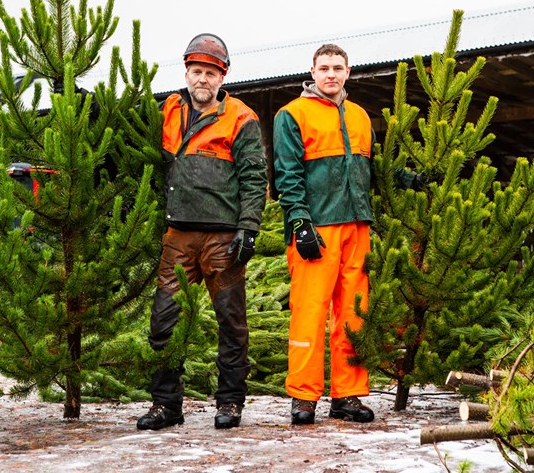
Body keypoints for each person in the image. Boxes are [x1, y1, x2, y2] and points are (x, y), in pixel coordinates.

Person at [136, 33, 267, 431]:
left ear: (222, 76)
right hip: (177, 238)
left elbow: (254, 175)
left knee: (231, 322)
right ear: (187, 72)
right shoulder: (167, 111)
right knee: (163, 322)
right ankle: (166, 405)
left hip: (222, 240)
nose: (202, 79)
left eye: (210, 73)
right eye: (197, 71)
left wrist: (248, 227)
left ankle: (229, 403)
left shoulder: (241, 118)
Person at [273, 43, 375, 425]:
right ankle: (304, 397)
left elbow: (372, 170)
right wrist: (300, 222)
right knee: (310, 313)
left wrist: (408, 180)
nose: (331, 74)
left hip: (358, 226)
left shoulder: (361, 117)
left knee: (353, 314)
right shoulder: (292, 115)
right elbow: (287, 173)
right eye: (324, 68)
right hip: (317, 228)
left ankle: (347, 395)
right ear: (312, 72)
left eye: (337, 67)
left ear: (348, 72)